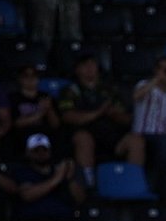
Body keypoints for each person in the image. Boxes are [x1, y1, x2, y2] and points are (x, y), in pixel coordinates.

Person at [12, 132, 102, 221]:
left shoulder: (62, 171)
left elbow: (79, 199)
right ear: (28, 153)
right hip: (36, 220)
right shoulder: (22, 172)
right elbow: (27, 195)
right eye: (36, 150)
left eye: (44, 150)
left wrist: (70, 178)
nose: (41, 154)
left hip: (64, 219)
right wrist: (57, 178)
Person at [57, 53, 136, 184]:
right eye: (85, 65)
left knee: (136, 140)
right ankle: (88, 184)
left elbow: (126, 119)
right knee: (83, 138)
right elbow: (68, 116)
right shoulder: (70, 91)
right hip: (83, 134)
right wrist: (98, 112)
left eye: (93, 64)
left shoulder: (110, 90)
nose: (90, 68)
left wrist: (114, 114)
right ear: (77, 70)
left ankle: (133, 182)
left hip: (110, 135)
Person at [6, 63, 61, 159]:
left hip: (45, 134)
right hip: (22, 136)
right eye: (26, 76)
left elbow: (55, 124)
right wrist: (41, 113)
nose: (30, 79)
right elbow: (17, 123)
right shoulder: (13, 98)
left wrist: (49, 109)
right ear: (20, 79)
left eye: (34, 75)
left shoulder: (46, 97)